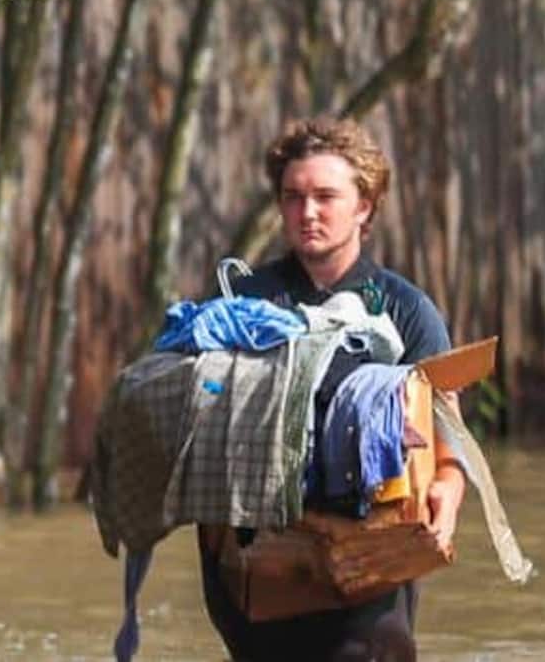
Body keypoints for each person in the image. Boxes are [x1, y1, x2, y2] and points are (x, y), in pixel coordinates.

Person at [196, 116, 467, 662]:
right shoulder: (246, 305)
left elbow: (449, 433)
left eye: (325, 196)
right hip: (261, 560)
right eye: (293, 197)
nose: (308, 212)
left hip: (371, 556)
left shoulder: (405, 309)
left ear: (363, 205)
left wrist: (449, 490)